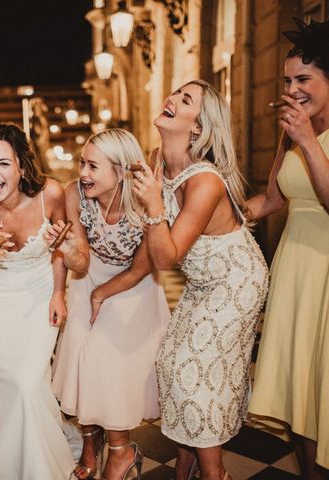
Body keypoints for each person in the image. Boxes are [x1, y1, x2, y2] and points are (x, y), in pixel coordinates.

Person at [131, 80, 269, 480]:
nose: (171, 99)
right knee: (171, 361)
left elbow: (167, 257)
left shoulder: (205, 181)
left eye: (185, 100)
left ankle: (215, 474)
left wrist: (154, 205)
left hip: (236, 282)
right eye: (175, 93)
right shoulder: (157, 159)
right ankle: (185, 462)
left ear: (198, 128)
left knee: (195, 368)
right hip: (201, 282)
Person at [0, 123, 74, 479]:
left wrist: (59, 292)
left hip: (38, 293)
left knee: (27, 381)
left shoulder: (49, 193)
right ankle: (13, 461)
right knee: (8, 384)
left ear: (21, 166)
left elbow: (61, 250)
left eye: (3, 163)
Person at [50, 128, 170, 480]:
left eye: (93, 167)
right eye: (82, 163)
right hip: (90, 274)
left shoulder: (144, 202)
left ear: (120, 172)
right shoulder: (75, 194)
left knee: (108, 360)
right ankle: (91, 445)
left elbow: (142, 266)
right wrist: (70, 253)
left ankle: (121, 450)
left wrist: (100, 294)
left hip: (135, 284)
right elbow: (83, 259)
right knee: (80, 357)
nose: (83, 174)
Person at [247, 18, 329, 479]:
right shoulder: (290, 132)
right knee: (301, 388)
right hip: (296, 268)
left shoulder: (302, 134)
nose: (292, 89)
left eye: (303, 79)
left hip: (327, 270)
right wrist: (214, 216)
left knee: (326, 387)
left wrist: (307, 140)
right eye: (287, 80)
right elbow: (273, 199)